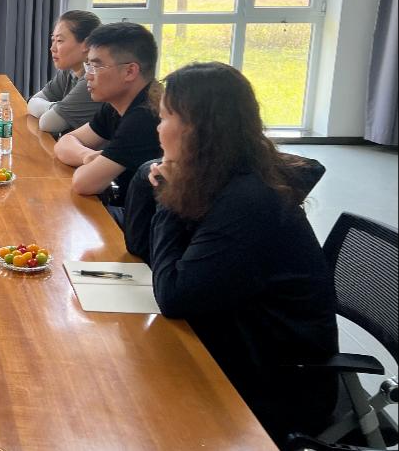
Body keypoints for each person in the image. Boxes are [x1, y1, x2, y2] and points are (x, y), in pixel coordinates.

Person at [136, 62, 338, 446]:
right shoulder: (219, 178)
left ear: (196, 129)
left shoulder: (248, 200)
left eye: (164, 118)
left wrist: (166, 200)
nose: (157, 129)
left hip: (277, 377)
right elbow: (140, 247)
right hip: (237, 338)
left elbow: (175, 296)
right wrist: (164, 185)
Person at [53, 22, 162, 207]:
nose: (87, 76)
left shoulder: (145, 116)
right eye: (88, 66)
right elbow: (65, 142)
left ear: (130, 71)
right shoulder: (116, 105)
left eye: (96, 67)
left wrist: (90, 164)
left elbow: (84, 183)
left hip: (144, 220)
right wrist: (87, 156)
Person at [27, 10, 103, 133]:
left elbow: (48, 123)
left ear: (87, 44)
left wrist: (54, 110)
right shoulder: (68, 72)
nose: (52, 48)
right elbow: (32, 102)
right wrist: (56, 107)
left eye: (60, 41)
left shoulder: (93, 80)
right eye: (53, 40)